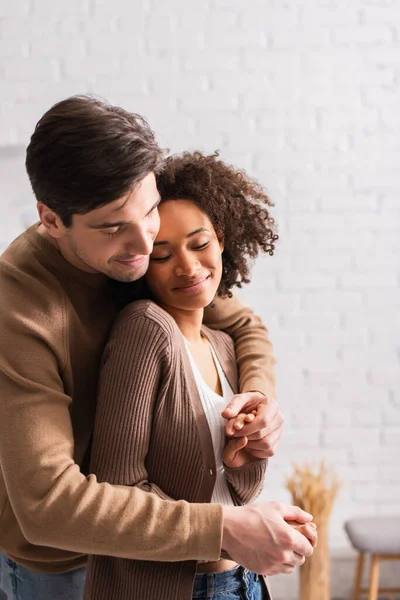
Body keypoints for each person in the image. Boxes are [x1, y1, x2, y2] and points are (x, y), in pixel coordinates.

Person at [0, 96, 314, 600]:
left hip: (162, 554)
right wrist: (224, 528)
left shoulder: (136, 250)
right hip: (62, 566)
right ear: (51, 220)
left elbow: (242, 322)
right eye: (112, 227)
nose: (146, 246)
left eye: (147, 212)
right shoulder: (20, 308)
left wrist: (259, 398)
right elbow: (46, 503)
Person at [84, 152, 317, 600]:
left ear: (223, 239)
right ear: (140, 266)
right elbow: (117, 488)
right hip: (172, 587)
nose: (188, 267)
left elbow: (236, 493)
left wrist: (242, 458)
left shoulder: (224, 346)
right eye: (162, 255)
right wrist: (228, 531)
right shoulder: (145, 327)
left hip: (243, 581)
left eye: (199, 243)